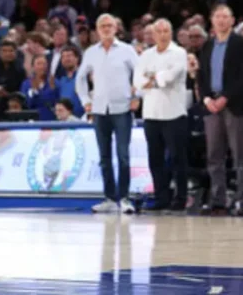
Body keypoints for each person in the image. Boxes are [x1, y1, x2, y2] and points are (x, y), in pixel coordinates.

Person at [76, 13, 140, 214]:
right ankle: (110, 198)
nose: (106, 28)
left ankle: (125, 198)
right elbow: (80, 79)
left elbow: (139, 73)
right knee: (104, 157)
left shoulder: (127, 50)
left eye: (109, 25)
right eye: (102, 25)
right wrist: (86, 101)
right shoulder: (91, 52)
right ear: (97, 29)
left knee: (123, 156)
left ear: (116, 28)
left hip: (121, 109)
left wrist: (136, 95)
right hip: (99, 110)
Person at [197, 5, 243, 215]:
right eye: (217, 17)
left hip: (233, 104)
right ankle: (218, 198)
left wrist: (225, 97)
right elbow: (201, 76)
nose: (221, 20)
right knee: (214, 155)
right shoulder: (207, 45)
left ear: (232, 21)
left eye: (225, 17)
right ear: (212, 20)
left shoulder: (242, 44)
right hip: (211, 105)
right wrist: (205, 98)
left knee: (239, 154)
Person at [134, 19, 189, 212]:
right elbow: (137, 81)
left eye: (166, 31)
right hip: (151, 114)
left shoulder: (179, 53)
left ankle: (180, 199)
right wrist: (154, 78)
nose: (163, 34)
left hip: (174, 113)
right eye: (159, 31)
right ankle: (161, 197)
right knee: (155, 159)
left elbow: (169, 78)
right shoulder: (146, 55)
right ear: (154, 35)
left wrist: (152, 78)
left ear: (171, 33)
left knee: (177, 159)